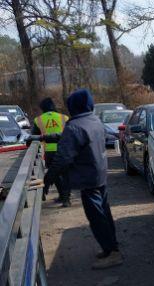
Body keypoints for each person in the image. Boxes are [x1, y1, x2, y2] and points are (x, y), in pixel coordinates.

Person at [44, 88, 123, 269]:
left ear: (73, 107)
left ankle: (113, 253)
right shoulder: (94, 120)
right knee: (105, 212)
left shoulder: (74, 127)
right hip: (100, 174)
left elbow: (63, 158)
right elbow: (72, 138)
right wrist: (45, 137)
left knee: (96, 217)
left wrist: (49, 178)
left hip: (88, 179)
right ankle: (111, 248)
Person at [32, 97, 71, 206]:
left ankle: (62, 196)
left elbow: (34, 136)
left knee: (55, 174)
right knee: (65, 174)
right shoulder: (64, 117)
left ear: (43, 108)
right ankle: (66, 198)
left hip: (49, 151)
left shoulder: (38, 120)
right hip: (64, 150)